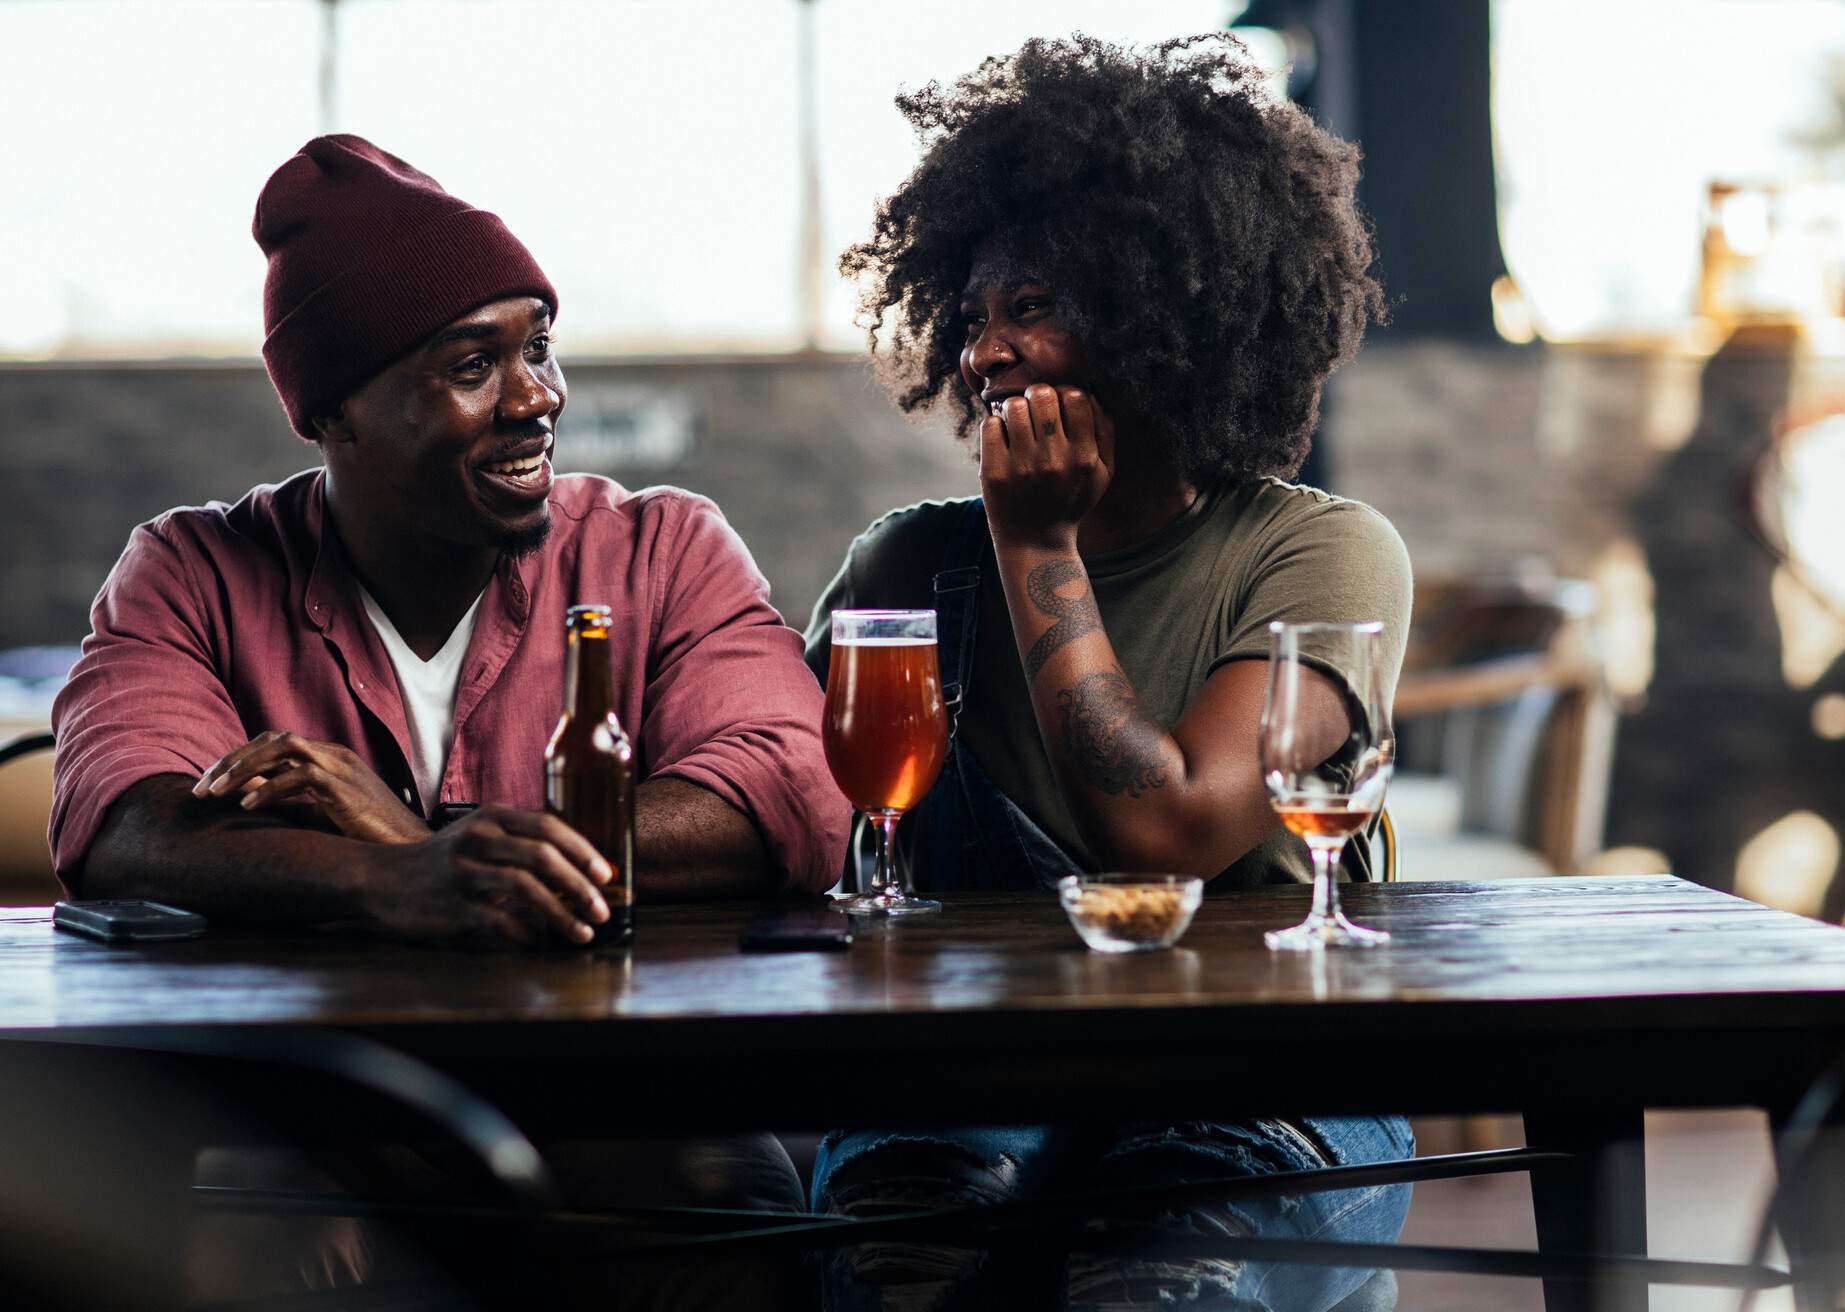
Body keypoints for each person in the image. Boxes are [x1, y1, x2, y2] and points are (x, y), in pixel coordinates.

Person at [49, 134, 846, 1304]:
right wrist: (397, 881)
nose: (536, 400)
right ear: (338, 414)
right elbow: (126, 826)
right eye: (475, 364)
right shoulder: (190, 570)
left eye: (539, 348)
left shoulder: (662, 546)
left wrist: (434, 840)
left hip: (619, 1106)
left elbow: (790, 788)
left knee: (735, 1214)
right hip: (319, 1128)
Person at [804, 35, 1414, 1312]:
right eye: (973, 317)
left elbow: (1170, 829)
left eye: (1032, 306)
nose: (986, 352)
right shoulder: (909, 566)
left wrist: (1037, 544)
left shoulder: (1320, 553)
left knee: (1155, 1286)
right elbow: (795, 821)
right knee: (896, 1268)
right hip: (973, 1080)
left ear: (1165, 310)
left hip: (1261, 1082)